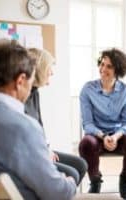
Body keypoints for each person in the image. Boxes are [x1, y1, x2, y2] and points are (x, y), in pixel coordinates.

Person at [0, 39, 76, 199]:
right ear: (20, 81)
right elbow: (57, 193)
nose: (31, 86)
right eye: (30, 80)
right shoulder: (23, 127)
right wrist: (70, 183)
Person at [79, 48, 126, 199]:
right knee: (85, 144)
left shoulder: (125, 91)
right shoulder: (88, 89)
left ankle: (125, 180)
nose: (103, 69)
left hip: (117, 137)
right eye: (102, 64)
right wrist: (103, 136)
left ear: (118, 70)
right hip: (96, 136)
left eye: (109, 66)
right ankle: (95, 181)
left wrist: (115, 137)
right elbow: (88, 124)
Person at [25, 48, 87, 185]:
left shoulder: (34, 93)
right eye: (49, 68)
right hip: (31, 155)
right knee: (71, 174)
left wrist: (47, 148)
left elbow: (39, 126)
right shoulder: (20, 96)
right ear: (39, 69)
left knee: (81, 165)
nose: (51, 72)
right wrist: (43, 152)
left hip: (40, 149)